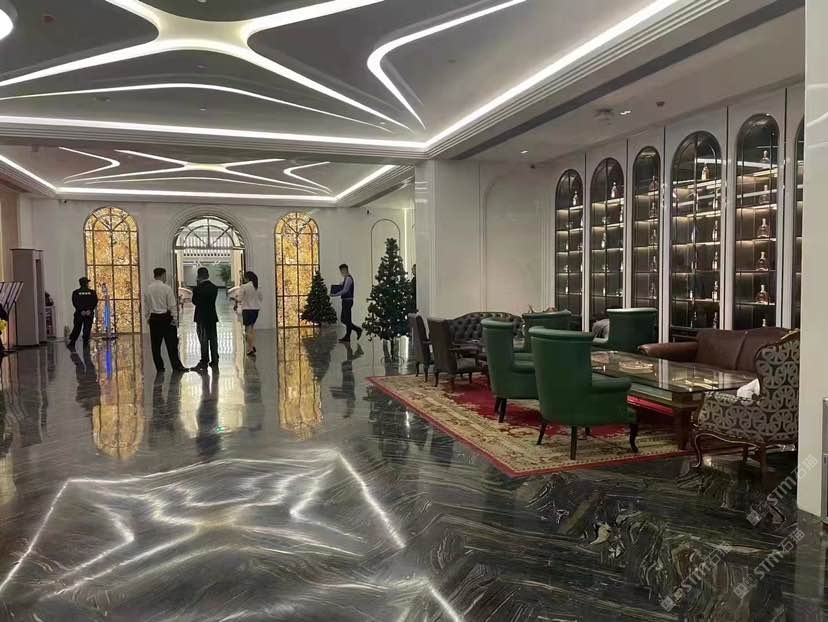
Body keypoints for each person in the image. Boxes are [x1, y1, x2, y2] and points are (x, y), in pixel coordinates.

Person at [144, 267, 189, 373]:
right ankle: (176, 366)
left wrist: (148, 317)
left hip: (154, 319)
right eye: (165, 276)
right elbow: (172, 305)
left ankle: (159, 367)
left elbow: (146, 305)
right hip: (166, 318)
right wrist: (175, 318)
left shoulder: (148, 289)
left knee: (155, 345)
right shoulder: (167, 288)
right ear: (163, 275)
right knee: (172, 344)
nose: (166, 278)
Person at [191, 267, 219, 371]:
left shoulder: (197, 288)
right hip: (211, 316)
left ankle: (204, 360)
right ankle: (215, 360)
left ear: (198, 276)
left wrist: (197, 285)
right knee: (213, 338)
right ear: (208, 275)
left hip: (201, 317)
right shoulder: (214, 287)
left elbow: (195, 302)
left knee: (203, 339)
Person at [230, 271, 262, 357]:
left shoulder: (244, 287)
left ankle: (250, 349)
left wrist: (235, 299)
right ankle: (252, 345)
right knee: (252, 328)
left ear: (247, 278)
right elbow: (261, 298)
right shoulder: (257, 286)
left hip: (247, 310)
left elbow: (240, 299)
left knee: (247, 330)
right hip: (256, 310)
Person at [331, 263, 362, 343]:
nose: (341, 272)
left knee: (346, 319)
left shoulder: (348, 279)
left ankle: (355, 331)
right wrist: (337, 287)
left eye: (341, 271)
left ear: (345, 270)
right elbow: (341, 286)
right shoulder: (346, 279)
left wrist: (335, 294)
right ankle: (352, 334)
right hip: (345, 301)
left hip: (348, 301)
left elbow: (345, 290)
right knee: (345, 319)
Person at [67, 277, 98, 349]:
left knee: (77, 328)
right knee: (87, 329)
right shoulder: (92, 292)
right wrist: (89, 310)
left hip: (79, 314)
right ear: (86, 283)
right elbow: (94, 302)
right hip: (89, 314)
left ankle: (72, 343)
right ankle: (85, 344)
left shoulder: (75, 292)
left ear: (80, 284)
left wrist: (81, 310)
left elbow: (75, 302)